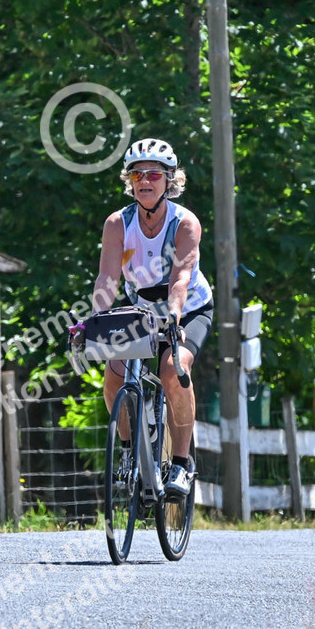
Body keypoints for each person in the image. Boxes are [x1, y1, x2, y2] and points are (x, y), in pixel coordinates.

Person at [86, 139, 214, 498]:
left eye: (154, 174)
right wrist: (95, 320)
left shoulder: (184, 223)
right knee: (114, 372)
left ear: (169, 180)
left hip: (188, 308)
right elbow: (107, 279)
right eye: (137, 174)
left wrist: (174, 315)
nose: (145, 181)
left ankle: (181, 464)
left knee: (174, 368)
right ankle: (129, 452)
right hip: (141, 308)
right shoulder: (118, 224)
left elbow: (181, 278)